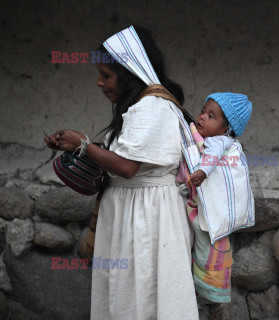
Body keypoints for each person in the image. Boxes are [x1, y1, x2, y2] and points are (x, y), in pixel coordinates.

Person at [44, 26, 199, 320]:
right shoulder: (141, 107)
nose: (100, 83)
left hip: (147, 214)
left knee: (144, 293)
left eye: (106, 75)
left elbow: (127, 167)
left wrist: (84, 144)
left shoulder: (152, 107)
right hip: (133, 209)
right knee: (129, 294)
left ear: (128, 73)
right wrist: (74, 147)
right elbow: (124, 157)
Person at [176, 93, 253, 304]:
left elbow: (212, 157)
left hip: (204, 211)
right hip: (194, 201)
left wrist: (203, 171)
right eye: (203, 111)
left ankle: (207, 284)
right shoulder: (202, 140)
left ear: (226, 129)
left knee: (205, 246)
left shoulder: (220, 141)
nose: (201, 118)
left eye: (211, 117)